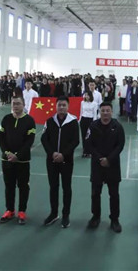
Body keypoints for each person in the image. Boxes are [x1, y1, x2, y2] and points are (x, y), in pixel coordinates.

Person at [85, 102, 125, 233]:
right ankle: (95, 217)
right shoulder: (93, 126)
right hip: (97, 165)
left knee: (114, 194)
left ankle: (114, 219)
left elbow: (120, 145)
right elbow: (89, 144)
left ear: (112, 112)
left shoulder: (117, 126)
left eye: (108, 110)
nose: (105, 113)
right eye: (103, 111)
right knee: (95, 193)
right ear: (100, 112)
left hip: (113, 165)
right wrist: (100, 158)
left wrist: (109, 159)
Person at [41, 97, 80, 228]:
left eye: (64, 105)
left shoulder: (73, 122)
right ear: (55, 106)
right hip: (51, 160)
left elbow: (75, 141)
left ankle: (65, 215)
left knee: (66, 188)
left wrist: (63, 154)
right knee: (53, 187)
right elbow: (44, 139)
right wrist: (52, 153)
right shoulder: (50, 121)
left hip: (66, 161)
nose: (61, 107)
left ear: (68, 107)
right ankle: (53, 213)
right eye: (59, 105)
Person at [0, 96, 36, 225]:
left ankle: (22, 211)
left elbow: (29, 141)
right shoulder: (6, 119)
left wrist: (18, 155)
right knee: (9, 186)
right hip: (7, 160)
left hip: (22, 161)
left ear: (23, 105)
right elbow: (1, 137)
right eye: (14, 104)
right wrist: (7, 153)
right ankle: (9, 210)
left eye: (18, 103)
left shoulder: (29, 121)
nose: (15, 106)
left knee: (23, 186)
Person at [80, 91, 98, 157]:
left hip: (90, 120)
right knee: (83, 135)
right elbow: (81, 112)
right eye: (85, 95)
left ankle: (90, 151)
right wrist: (80, 120)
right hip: (83, 119)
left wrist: (94, 122)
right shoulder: (82, 102)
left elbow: (95, 114)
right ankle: (85, 151)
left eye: (87, 95)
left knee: (89, 136)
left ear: (90, 96)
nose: (86, 96)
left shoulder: (94, 104)